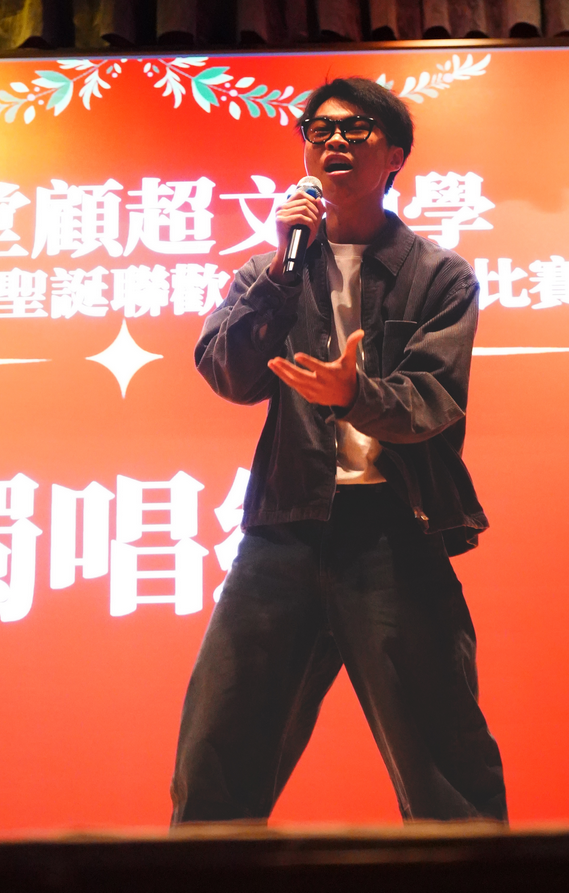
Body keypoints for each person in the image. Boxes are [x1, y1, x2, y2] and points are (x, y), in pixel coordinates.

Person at [170, 77, 507, 824]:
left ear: (395, 156)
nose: (334, 142)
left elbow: (432, 402)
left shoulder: (438, 275)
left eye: (356, 129)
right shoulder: (270, 270)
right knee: (218, 752)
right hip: (285, 531)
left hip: (395, 530)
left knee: (446, 766)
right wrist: (280, 273)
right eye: (319, 130)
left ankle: (476, 876)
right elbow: (228, 373)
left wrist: (354, 394)